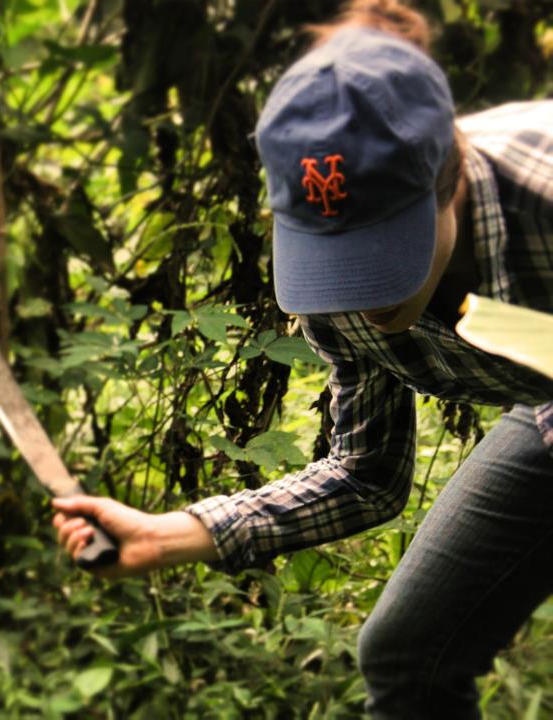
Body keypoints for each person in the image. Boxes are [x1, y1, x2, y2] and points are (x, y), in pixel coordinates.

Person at [52, 0, 553, 716]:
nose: (366, 296)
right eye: (341, 259)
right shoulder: (333, 290)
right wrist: (174, 535)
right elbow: (367, 474)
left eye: (386, 250)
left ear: (453, 180)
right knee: (408, 658)